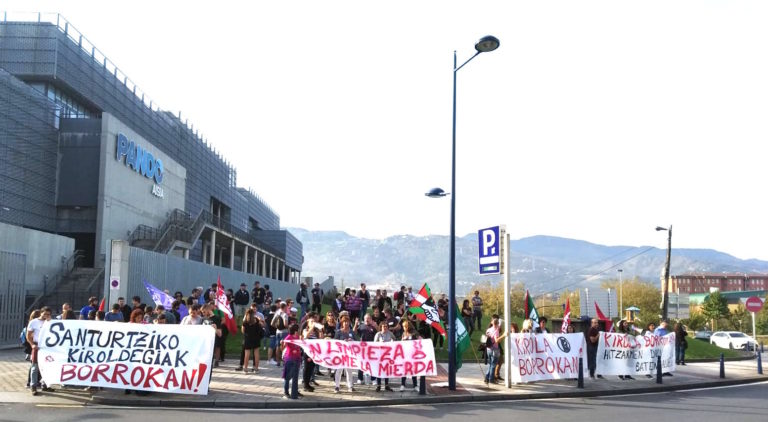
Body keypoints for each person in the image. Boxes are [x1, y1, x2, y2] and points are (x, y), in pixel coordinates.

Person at [27, 307, 53, 395]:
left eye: (48, 314)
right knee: (35, 366)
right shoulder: (34, 322)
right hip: (37, 345)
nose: (46, 316)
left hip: (48, 346)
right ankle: (33, 385)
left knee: (48, 366)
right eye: (45, 314)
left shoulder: (51, 322)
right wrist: (32, 345)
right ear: (41, 313)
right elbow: (28, 335)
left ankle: (44, 384)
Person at [333, 316, 357, 393]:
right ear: (342, 323)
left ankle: (350, 386)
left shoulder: (352, 332)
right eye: (344, 322)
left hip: (349, 355)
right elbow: (334, 343)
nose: (346, 323)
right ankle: (337, 386)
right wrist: (343, 341)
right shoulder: (338, 332)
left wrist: (352, 340)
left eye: (347, 322)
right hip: (340, 355)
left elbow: (357, 342)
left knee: (349, 371)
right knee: (339, 370)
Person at [280, 324, 303, 399]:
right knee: (288, 376)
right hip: (290, 359)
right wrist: (282, 343)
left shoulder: (297, 337)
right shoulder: (288, 338)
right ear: (295, 331)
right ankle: (286, 392)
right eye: (298, 329)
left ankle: (294, 392)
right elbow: (283, 347)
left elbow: (299, 346)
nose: (299, 331)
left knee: (295, 377)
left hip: (297, 359)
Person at [301, 313, 322, 392]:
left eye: (314, 322)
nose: (313, 323)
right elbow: (306, 336)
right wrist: (311, 328)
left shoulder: (316, 331)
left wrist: (320, 331)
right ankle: (305, 384)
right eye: (311, 322)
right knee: (306, 368)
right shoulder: (305, 330)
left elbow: (320, 340)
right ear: (308, 323)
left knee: (311, 368)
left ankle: (308, 383)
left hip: (314, 353)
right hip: (307, 353)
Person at [373, 322, 395, 392]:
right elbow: (374, 344)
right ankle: (378, 385)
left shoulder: (390, 333)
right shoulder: (378, 334)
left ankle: (386, 385)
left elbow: (395, 340)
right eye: (383, 326)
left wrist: (392, 342)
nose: (385, 328)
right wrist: (380, 343)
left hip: (388, 355)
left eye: (386, 326)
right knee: (379, 370)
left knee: (387, 370)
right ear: (381, 327)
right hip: (380, 355)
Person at [399, 319, 419, 391]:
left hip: (413, 354)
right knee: (404, 370)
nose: (403, 328)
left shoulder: (414, 333)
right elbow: (401, 343)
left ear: (408, 326)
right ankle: (402, 384)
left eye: (404, 327)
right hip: (405, 354)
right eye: (403, 327)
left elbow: (419, 341)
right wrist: (403, 340)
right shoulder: (404, 333)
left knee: (413, 370)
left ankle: (415, 385)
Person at [241, 308, 264, 374]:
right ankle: (256, 369)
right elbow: (262, 325)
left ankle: (245, 369)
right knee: (256, 353)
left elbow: (243, 331)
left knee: (247, 354)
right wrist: (260, 320)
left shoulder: (245, 321)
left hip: (248, 338)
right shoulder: (256, 320)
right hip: (256, 338)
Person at [484, 317, 501, 384]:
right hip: (494, 349)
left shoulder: (488, 330)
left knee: (490, 364)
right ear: (497, 324)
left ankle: (487, 377)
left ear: (492, 323)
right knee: (494, 364)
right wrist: (503, 335)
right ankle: (491, 379)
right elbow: (497, 340)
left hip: (488, 348)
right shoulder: (496, 331)